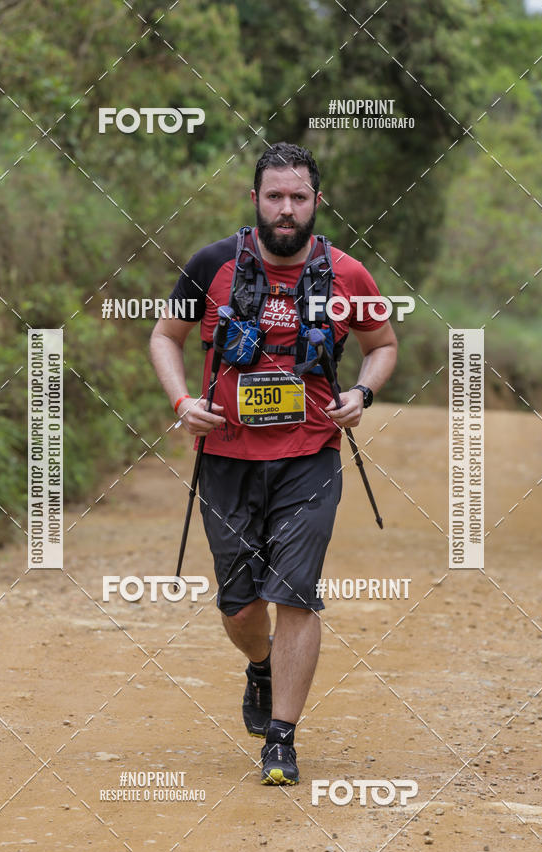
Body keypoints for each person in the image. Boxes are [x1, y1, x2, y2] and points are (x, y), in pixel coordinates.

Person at [150, 142, 397, 785]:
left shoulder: (347, 273)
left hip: (311, 456)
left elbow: (383, 344)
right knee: (239, 607)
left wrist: (361, 393)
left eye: (298, 197)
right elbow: (164, 336)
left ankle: (281, 739)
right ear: (255, 199)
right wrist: (181, 399)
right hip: (226, 457)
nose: (286, 209)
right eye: (274, 196)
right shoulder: (210, 265)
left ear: (318, 202)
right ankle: (259, 666)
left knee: (295, 593)